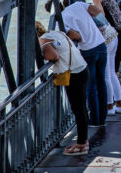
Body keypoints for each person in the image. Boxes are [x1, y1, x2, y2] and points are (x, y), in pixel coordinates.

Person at [36, 21, 90, 155]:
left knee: (78, 109)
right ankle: (83, 141)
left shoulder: (43, 41)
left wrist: (42, 55)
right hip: (82, 68)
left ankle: (82, 145)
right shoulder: (55, 33)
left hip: (73, 74)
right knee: (81, 108)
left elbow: (53, 56)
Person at [61, 0, 108, 127]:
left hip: (88, 50)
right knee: (101, 83)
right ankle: (103, 118)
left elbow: (76, 36)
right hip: (101, 45)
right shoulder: (77, 4)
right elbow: (96, 11)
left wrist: (81, 34)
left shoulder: (62, 18)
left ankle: (95, 120)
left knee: (91, 86)